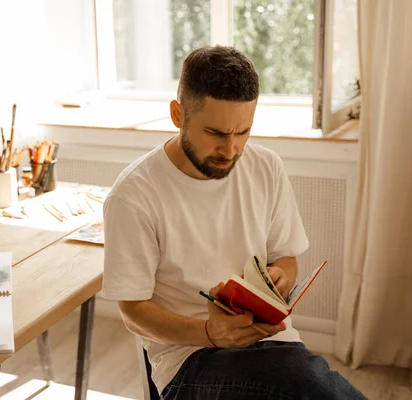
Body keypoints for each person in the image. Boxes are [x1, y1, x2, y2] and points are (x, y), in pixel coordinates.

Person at [101, 45, 366, 400]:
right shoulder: (134, 194)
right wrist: (212, 333)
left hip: (273, 343)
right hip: (190, 358)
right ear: (178, 115)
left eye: (243, 132)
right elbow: (133, 312)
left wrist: (280, 279)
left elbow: (286, 258)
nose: (231, 150)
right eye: (215, 133)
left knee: (304, 381)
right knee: (307, 386)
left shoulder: (266, 167)